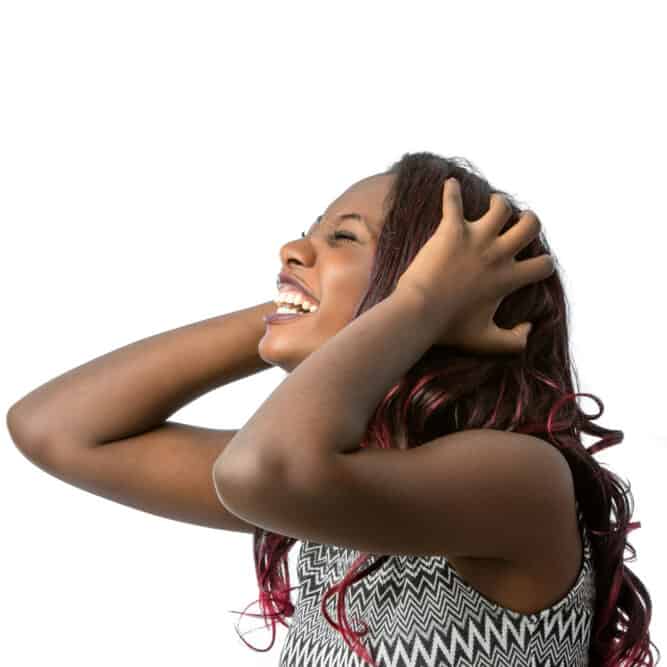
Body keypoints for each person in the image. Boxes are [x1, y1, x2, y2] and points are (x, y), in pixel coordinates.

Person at [7, 151, 657, 667]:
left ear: (441, 285)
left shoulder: (519, 478)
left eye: (343, 236)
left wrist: (417, 302)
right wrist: (294, 312)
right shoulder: (343, 483)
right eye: (307, 232)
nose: (291, 249)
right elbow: (57, 428)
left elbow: (262, 469)